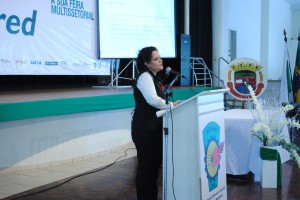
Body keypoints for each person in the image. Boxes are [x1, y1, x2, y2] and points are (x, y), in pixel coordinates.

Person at [131, 46, 180, 200]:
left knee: (153, 170)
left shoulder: (154, 77)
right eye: (156, 59)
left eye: (160, 57)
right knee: (147, 169)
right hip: (145, 130)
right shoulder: (145, 76)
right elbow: (152, 100)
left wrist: (171, 105)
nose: (160, 60)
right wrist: (171, 105)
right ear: (146, 63)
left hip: (154, 129)